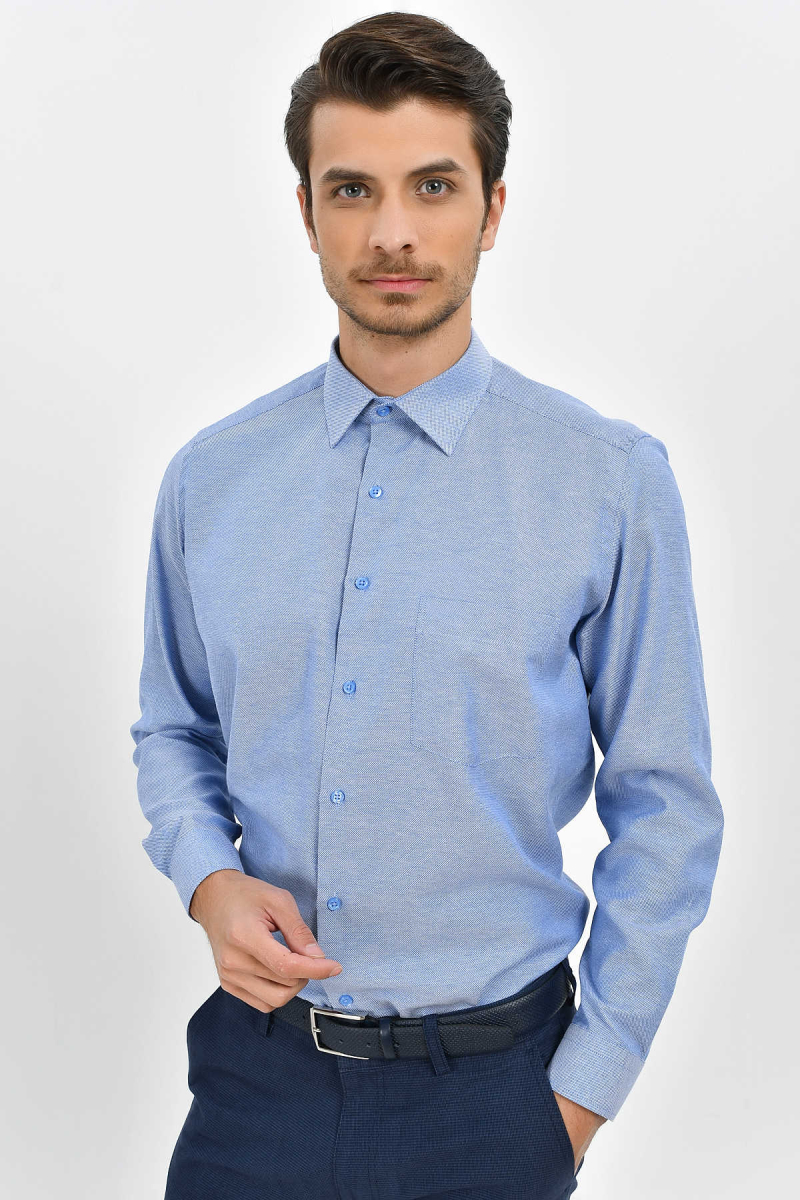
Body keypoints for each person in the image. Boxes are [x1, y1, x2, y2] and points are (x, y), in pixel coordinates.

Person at [129, 12, 724, 1199]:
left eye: (433, 186)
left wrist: (577, 1099)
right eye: (351, 189)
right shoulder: (210, 479)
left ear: (491, 211)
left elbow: (664, 807)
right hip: (256, 1086)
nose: (391, 232)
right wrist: (206, 877)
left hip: (496, 1099)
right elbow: (174, 730)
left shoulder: (606, 481)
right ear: (306, 212)